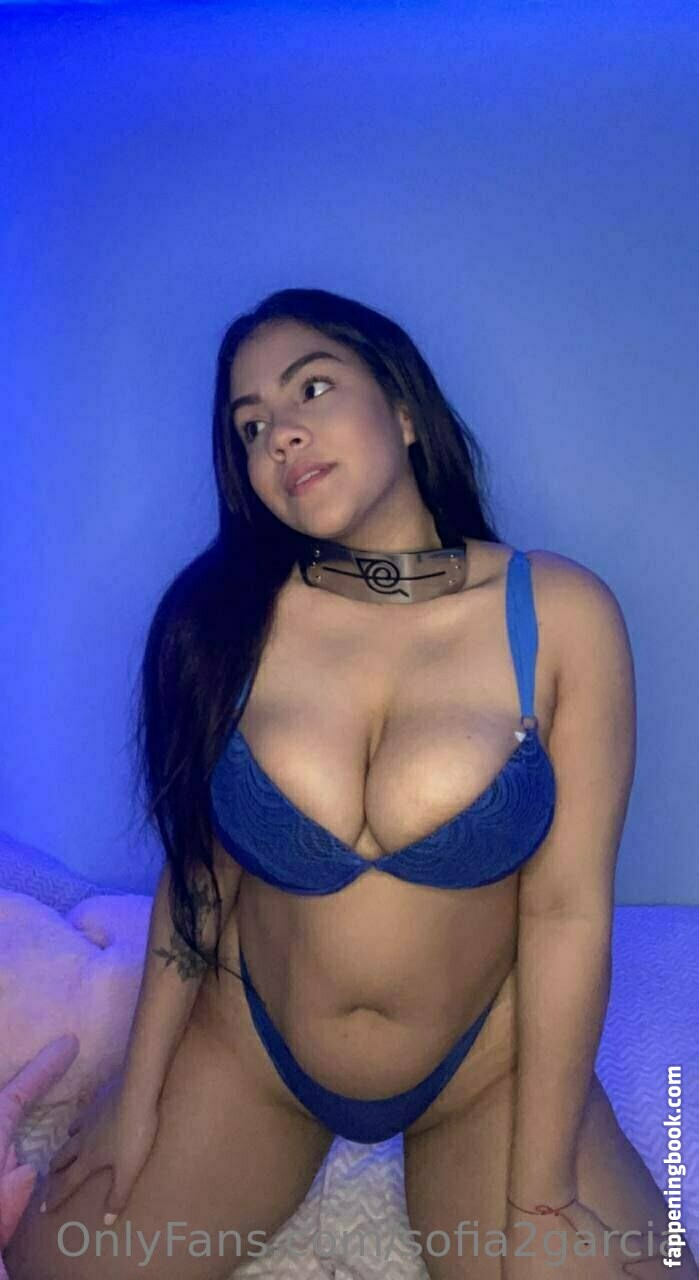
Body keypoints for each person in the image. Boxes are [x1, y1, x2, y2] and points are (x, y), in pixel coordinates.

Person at [7, 288, 695, 1279]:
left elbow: (566, 910)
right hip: (254, 1050)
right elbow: (196, 885)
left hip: (483, 1065)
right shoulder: (220, 624)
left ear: (405, 410)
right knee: (54, 1266)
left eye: (313, 388)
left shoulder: (559, 613)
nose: (281, 434)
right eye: (250, 426)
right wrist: (138, 1100)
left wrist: (541, 1191)